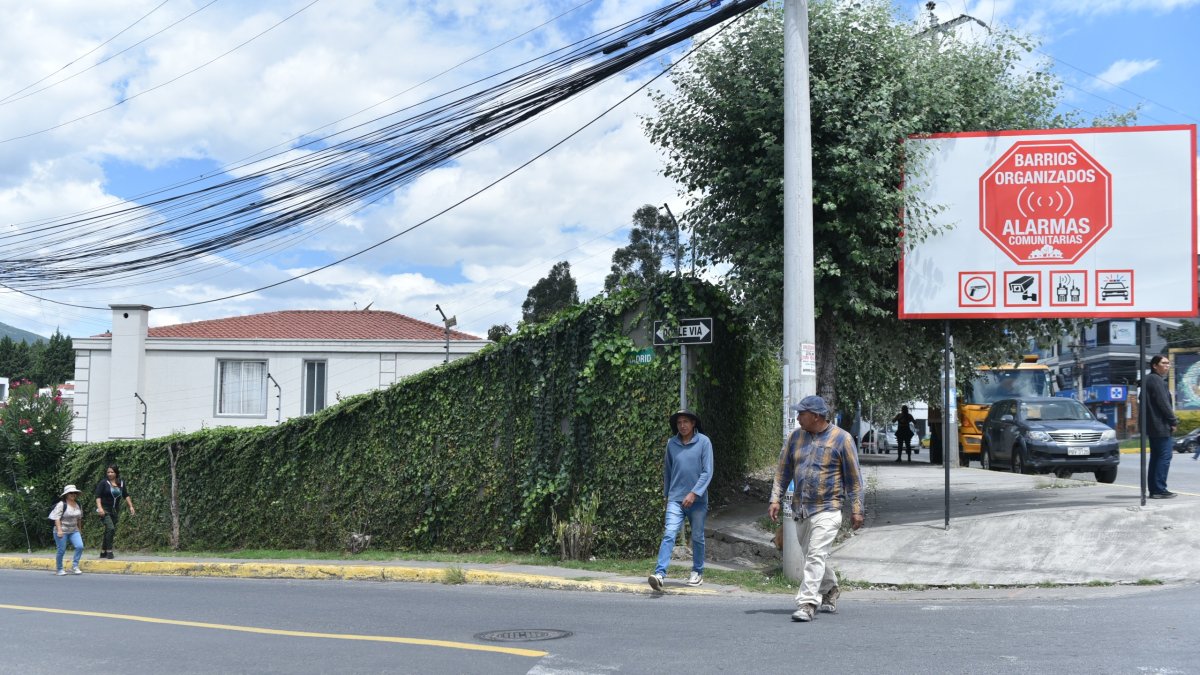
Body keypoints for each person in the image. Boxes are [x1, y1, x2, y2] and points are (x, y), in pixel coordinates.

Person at [769, 395, 864, 622]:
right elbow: (783, 471)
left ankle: (808, 603)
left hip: (829, 508)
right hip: (801, 509)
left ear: (816, 416)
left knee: (815, 554)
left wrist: (857, 509)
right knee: (813, 555)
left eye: (802, 413)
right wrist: (774, 499)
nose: (798, 417)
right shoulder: (795, 438)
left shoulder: (842, 439)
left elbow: (855, 479)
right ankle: (830, 589)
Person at [648, 409, 713, 591]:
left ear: (693, 424)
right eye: (679, 423)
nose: (682, 425)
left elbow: (707, 471)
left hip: (698, 500)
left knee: (698, 537)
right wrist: (667, 496)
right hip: (675, 499)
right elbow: (668, 471)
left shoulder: (704, 442)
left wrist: (694, 493)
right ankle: (660, 574)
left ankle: (697, 572)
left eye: (685, 422)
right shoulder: (672, 444)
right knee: (669, 533)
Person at [1143, 355, 1178, 499]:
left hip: (1153, 425)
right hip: (1160, 425)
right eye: (1164, 363)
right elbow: (1163, 403)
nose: (1167, 366)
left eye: (1168, 363)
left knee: (1156, 457)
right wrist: (1173, 421)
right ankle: (1159, 489)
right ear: (1155, 366)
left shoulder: (1149, 379)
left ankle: (1155, 489)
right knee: (1164, 457)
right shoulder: (1156, 380)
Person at [95, 464, 136, 559]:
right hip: (104, 509)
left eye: (112, 472)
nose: (109, 474)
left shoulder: (121, 483)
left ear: (116, 473)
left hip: (115, 510)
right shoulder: (103, 483)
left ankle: (103, 552)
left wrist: (131, 506)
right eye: (108, 472)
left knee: (108, 530)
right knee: (111, 528)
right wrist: (100, 508)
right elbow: (98, 496)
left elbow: (126, 495)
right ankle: (109, 551)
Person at [49, 485, 85, 575]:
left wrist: (79, 529)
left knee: (80, 546)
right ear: (66, 494)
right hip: (62, 530)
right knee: (61, 550)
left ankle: (75, 566)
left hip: (74, 529)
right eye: (71, 493)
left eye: (74, 493)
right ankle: (59, 569)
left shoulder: (78, 504)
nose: (73, 494)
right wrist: (59, 530)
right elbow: (56, 518)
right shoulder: (61, 505)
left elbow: (79, 518)